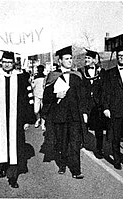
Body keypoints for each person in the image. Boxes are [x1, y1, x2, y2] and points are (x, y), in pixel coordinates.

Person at [0, 50, 35, 188]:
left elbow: (29, 99)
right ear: (1, 62)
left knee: (15, 145)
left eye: (10, 62)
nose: (7, 65)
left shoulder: (21, 78)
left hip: (17, 120)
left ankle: (13, 176)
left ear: (14, 63)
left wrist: (28, 120)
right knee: (1, 144)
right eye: (5, 62)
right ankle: (4, 164)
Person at [41, 46, 86, 179]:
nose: (69, 61)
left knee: (75, 143)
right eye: (66, 59)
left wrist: (84, 112)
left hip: (74, 116)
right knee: (61, 143)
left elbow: (82, 96)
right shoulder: (53, 76)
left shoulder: (77, 76)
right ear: (60, 61)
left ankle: (76, 170)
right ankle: (62, 164)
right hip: (59, 116)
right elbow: (46, 97)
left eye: (70, 58)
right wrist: (56, 96)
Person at [78, 49, 107, 159]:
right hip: (85, 103)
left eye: (89, 58)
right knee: (83, 124)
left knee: (98, 128)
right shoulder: (81, 72)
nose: (86, 60)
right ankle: (82, 142)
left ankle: (99, 149)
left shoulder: (102, 72)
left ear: (94, 60)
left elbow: (105, 88)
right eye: (86, 58)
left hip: (97, 105)